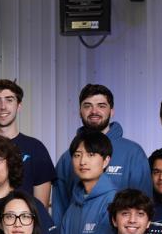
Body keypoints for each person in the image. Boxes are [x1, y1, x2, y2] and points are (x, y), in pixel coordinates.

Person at [51, 83, 150, 224]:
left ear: (112, 111)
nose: (94, 111)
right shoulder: (68, 158)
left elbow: (145, 206)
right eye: (87, 106)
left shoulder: (133, 153)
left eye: (101, 106)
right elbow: (60, 210)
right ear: (80, 111)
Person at [57, 128, 119, 234]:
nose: (83, 161)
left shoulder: (114, 203)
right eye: (77, 155)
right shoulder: (73, 207)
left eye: (91, 155)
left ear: (106, 161)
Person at [0, 78, 55, 210]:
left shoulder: (36, 148)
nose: (3, 106)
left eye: (9, 100)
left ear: (19, 106)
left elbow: (41, 208)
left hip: (22, 227)